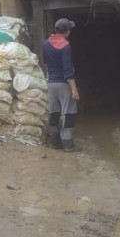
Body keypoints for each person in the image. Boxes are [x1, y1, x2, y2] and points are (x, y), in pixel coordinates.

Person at [43, 17, 79, 151]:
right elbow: (68, 70)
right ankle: (68, 146)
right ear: (67, 31)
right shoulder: (66, 46)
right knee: (69, 113)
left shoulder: (46, 44)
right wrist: (74, 89)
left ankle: (55, 143)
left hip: (51, 83)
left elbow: (46, 61)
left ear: (55, 30)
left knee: (54, 112)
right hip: (64, 84)